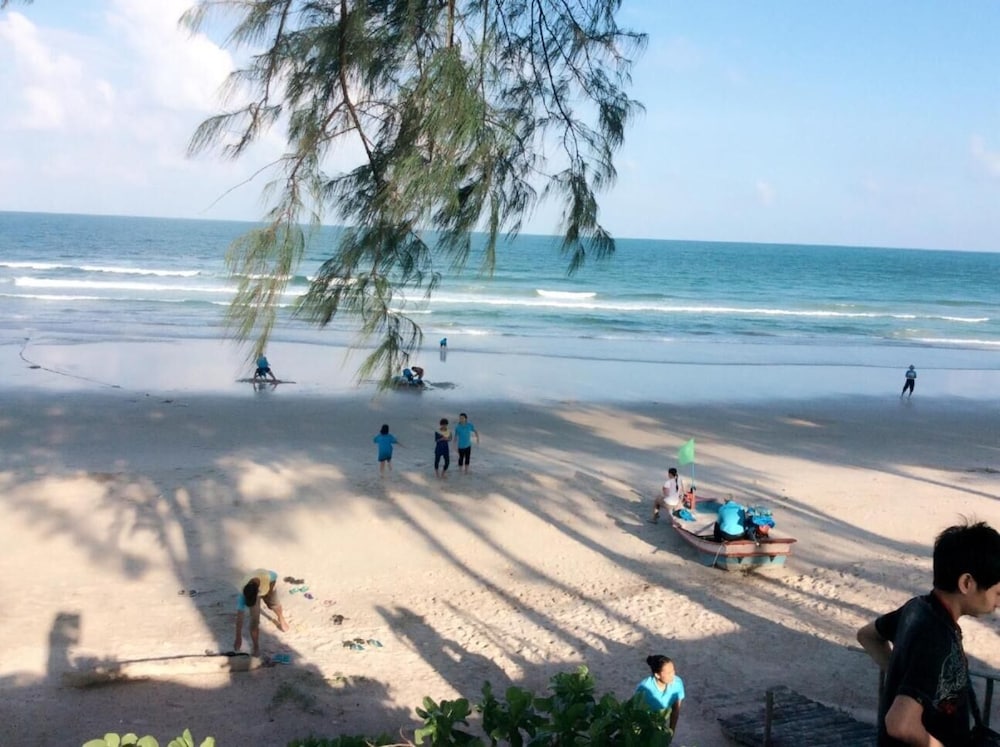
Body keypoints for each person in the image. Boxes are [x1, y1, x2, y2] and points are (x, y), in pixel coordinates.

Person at [856, 521, 1000, 747]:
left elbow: (867, 636)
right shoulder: (937, 640)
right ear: (966, 583)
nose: (998, 603)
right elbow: (899, 724)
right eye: (998, 593)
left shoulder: (917, 608)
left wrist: (900, 678)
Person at [234, 568, 290, 656]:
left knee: (274, 604)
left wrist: (269, 592)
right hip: (255, 590)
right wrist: (238, 637)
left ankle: (281, 618)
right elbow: (240, 615)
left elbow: (275, 575)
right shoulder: (244, 592)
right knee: (254, 621)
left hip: (268, 585)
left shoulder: (270, 576)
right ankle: (256, 646)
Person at [634, 654, 685, 733]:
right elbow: (636, 712)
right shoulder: (644, 688)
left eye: (673, 670)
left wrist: (671, 731)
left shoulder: (677, 684)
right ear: (657, 675)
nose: (673, 675)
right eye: (668, 673)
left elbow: (675, 710)